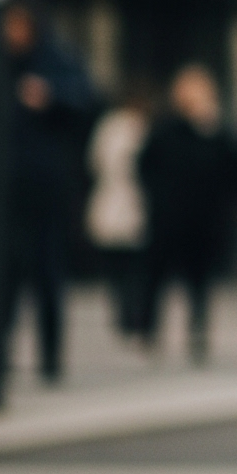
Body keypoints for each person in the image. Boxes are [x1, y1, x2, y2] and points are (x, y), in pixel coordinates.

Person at [2, 0, 97, 381]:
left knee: (47, 269)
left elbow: (87, 103)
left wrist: (50, 98)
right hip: (6, 184)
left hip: (49, 182)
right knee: (4, 270)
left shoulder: (59, 61)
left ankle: (51, 358)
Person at [138, 65, 233, 361]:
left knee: (199, 280)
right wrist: (157, 197)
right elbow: (145, 165)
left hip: (203, 217)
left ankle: (198, 331)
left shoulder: (214, 130)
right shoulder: (166, 127)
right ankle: (150, 330)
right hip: (168, 216)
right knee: (157, 276)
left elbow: (229, 168)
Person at [86, 86, 151, 337]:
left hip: (127, 203)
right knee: (125, 266)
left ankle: (128, 314)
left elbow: (94, 162)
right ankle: (128, 314)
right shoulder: (120, 129)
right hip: (120, 202)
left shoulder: (112, 128)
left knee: (124, 267)